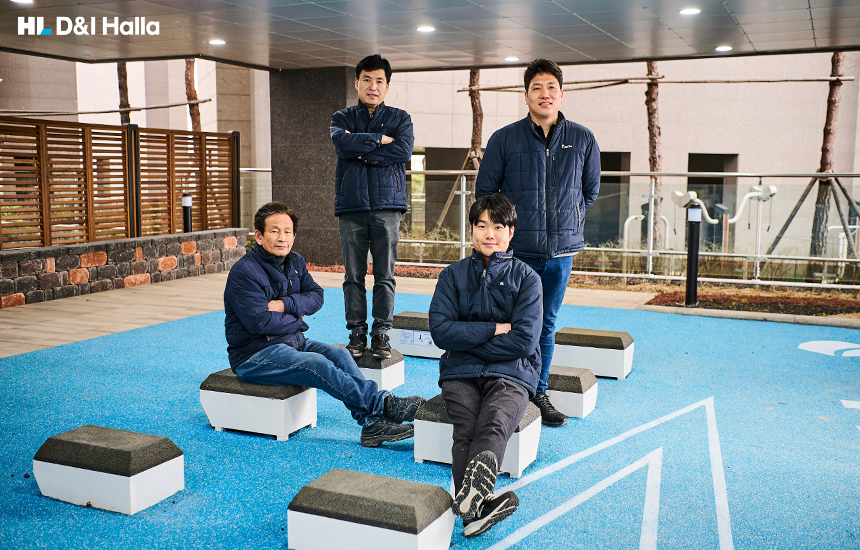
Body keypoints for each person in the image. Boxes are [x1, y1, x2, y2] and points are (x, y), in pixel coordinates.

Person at [224, 202, 424, 448]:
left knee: (340, 354)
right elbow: (260, 322)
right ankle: (383, 404)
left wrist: (285, 305)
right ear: (259, 236)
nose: (282, 238)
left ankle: (372, 424)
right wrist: (297, 317)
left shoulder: (295, 262)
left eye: (287, 232)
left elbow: (316, 296)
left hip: (293, 342)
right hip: (254, 354)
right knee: (317, 363)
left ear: (294, 236)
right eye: (274, 231)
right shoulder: (244, 272)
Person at [476, 58, 601, 428]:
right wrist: (507, 232)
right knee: (508, 322)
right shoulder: (504, 139)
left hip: (560, 254)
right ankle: (504, 390)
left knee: (545, 324)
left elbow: (589, 191)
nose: (544, 95)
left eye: (551, 88)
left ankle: (538, 392)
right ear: (526, 95)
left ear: (561, 94)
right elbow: (486, 193)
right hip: (516, 253)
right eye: (537, 88)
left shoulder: (583, 139)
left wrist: (566, 220)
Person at [429, 194, 543, 537]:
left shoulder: (528, 278)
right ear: (471, 230)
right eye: (481, 226)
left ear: (510, 232)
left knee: (493, 421)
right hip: (461, 373)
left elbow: (524, 341)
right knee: (465, 429)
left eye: (497, 226)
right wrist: (494, 328)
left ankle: (471, 508)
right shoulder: (451, 276)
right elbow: (441, 331)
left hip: (512, 372)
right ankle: (478, 508)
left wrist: (467, 339)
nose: (489, 234)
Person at [330, 54, 414, 360]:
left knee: (384, 275)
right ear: (357, 83)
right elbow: (342, 145)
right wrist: (379, 139)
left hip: (387, 206)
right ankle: (356, 332)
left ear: (387, 86)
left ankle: (381, 333)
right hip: (351, 207)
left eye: (379, 81)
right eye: (367, 79)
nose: (373, 86)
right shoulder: (341, 118)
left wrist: (360, 148)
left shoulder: (401, 118)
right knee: (353, 275)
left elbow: (403, 151)